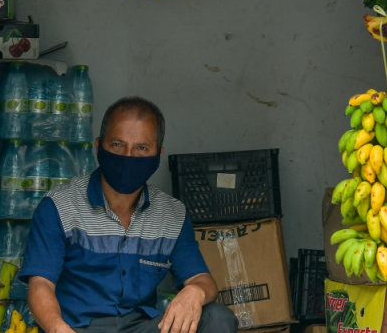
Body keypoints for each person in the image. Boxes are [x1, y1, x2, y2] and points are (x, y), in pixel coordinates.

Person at [19, 96, 237, 333]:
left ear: (158, 154)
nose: (129, 155)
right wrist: (57, 329)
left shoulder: (172, 214)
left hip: (140, 328)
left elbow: (201, 279)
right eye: (117, 145)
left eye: (142, 148)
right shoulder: (59, 206)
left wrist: (195, 291)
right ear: (99, 145)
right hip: (77, 328)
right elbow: (40, 284)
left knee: (216, 316)